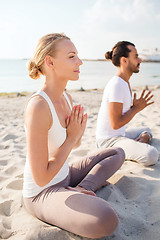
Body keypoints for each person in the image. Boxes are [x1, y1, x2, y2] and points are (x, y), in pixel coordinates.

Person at [23, 33, 125, 239]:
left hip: (64, 175)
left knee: (117, 152)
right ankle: (77, 190)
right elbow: (41, 177)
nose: (80, 61)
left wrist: (76, 135)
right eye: (71, 56)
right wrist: (71, 138)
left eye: (77, 55)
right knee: (106, 219)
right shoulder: (38, 106)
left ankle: (80, 187)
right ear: (49, 62)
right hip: (42, 192)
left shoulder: (66, 98)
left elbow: (75, 145)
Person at [96, 41, 159, 167]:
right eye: (136, 56)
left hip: (120, 135)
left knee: (146, 130)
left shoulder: (124, 82)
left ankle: (139, 142)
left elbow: (119, 115)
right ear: (124, 60)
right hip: (108, 142)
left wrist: (132, 108)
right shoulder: (117, 84)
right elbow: (115, 123)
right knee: (151, 154)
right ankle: (133, 148)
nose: (140, 59)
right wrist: (135, 109)